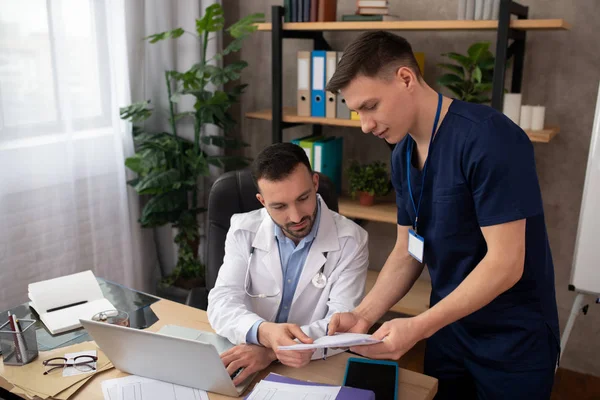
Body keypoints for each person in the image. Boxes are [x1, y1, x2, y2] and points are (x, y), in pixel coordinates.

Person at [324, 31, 560, 399]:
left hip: (512, 340)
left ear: (406, 78)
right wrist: (364, 315)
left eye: (370, 106)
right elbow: (407, 250)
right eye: (358, 113)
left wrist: (418, 326)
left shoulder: (489, 138)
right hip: (449, 331)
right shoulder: (402, 153)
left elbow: (506, 263)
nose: (365, 125)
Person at [207, 143, 369, 385]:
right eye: (279, 206)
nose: (295, 217)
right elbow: (222, 302)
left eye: (303, 198)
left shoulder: (351, 240)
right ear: (262, 201)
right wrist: (263, 332)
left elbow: (342, 324)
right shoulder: (243, 230)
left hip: (307, 368)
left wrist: (272, 351)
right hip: (245, 351)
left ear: (315, 184)